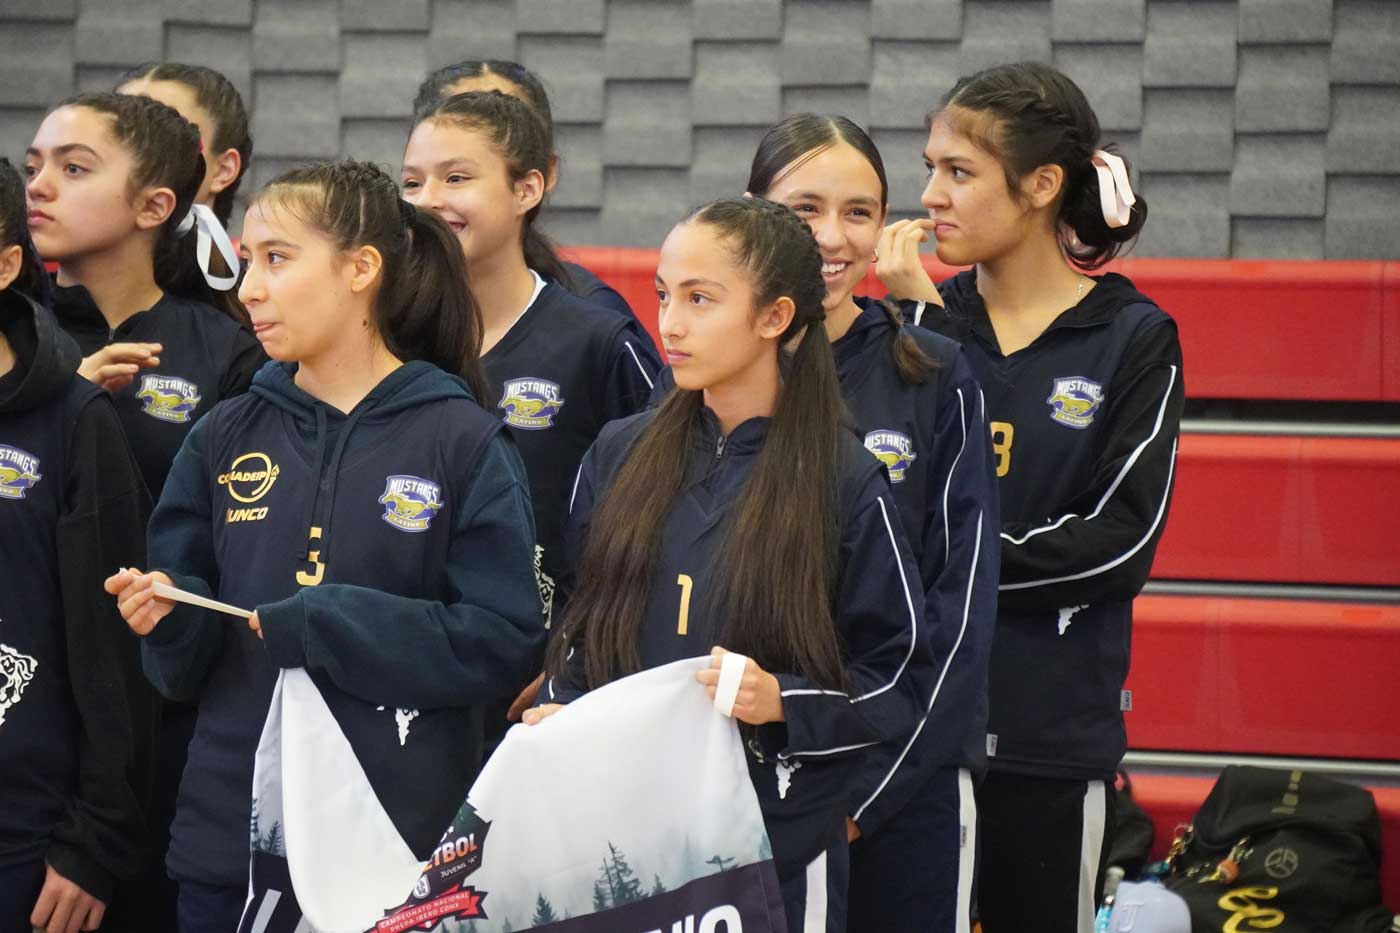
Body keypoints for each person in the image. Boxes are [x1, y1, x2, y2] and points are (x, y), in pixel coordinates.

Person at [105, 160, 546, 933]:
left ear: (360, 269)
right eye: (248, 261)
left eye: (277, 258)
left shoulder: (463, 440)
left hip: (395, 851)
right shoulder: (223, 433)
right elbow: (178, 671)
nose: (248, 289)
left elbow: (506, 640)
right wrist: (167, 618)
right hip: (228, 849)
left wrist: (332, 622)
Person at [529, 197, 936, 933]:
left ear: (775, 316)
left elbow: (901, 675)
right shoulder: (619, 453)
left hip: (774, 845)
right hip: (626, 834)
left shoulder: (843, 477)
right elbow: (579, 626)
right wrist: (562, 706)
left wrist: (783, 699)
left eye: (699, 299)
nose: (671, 323)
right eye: (663, 295)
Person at [897, 62, 1183, 932]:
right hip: (917, 731)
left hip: (1049, 739)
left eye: (958, 171)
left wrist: (954, 569)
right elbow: (889, 523)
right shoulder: (921, 322)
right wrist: (923, 330)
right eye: (930, 168)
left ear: (1041, 186)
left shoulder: (1135, 338)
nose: (930, 195)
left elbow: (1119, 544)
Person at [745, 113, 1000, 933]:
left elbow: (958, 609)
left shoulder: (933, 374)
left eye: (859, 211)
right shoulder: (714, 371)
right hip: (750, 785)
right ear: (752, 213)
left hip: (900, 787)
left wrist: (872, 793)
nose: (832, 236)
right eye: (803, 208)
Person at [402, 90, 658, 636]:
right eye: (412, 182)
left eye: (456, 178)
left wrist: (575, 659)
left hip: (545, 676)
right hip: (410, 663)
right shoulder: (385, 334)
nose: (427, 200)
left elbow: (657, 517)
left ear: (527, 188)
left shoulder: (599, 341)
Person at [0, 156, 156, 933]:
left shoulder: (73, 418)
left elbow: (114, 652)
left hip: (29, 843)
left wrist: (96, 837)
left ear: (6, 265)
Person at [24, 92, 264, 501]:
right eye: (32, 168)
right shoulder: (12, 332)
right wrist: (64, 407)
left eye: (74, 168)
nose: (38, 187)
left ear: (154, 207)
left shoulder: (229, 352)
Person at [413, 59, 637, 319]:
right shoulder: (380, 304)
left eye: (457, 177)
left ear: (542, 176)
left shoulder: (592, 317)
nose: (431, 199)